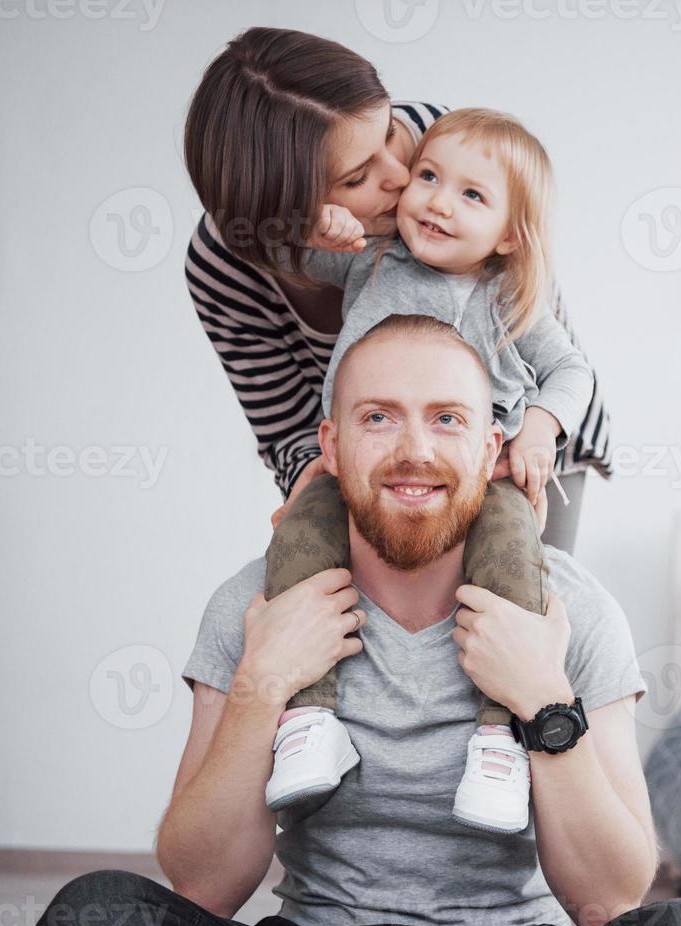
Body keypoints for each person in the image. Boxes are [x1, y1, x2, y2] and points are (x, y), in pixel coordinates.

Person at [32, 317, 681, 926]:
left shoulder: (572, 611)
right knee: (90, 921)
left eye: (446, 419)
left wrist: (543, 699)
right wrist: (263, 683)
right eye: (379, 418)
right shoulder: (256, 606)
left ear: (489, 448)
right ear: (332, 444)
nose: (414, 451)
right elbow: (204, 888)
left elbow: (609, 899)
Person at [262, 108, 595, 834]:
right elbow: (290, 253)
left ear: (509, 233)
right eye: (429, 178)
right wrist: (318, 223)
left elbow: (570, 369)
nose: (439, 201)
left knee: (512, 560)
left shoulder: (505, 295)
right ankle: (309, 719)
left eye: (472, 195)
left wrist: (540, 426)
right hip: (361, 470)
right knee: (298, 541)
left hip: (486, 477)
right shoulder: (372, 260)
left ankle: (500, 737)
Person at [183, 27, 611, 549]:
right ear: (288, 208)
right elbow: (286, 427)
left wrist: (533, 437)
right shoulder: (228, 264)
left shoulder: (447, 149)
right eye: (357, 178)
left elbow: (546, 347)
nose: (403, 178)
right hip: (379, 475)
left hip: (517, 452)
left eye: (387, 133)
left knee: (520, 589)